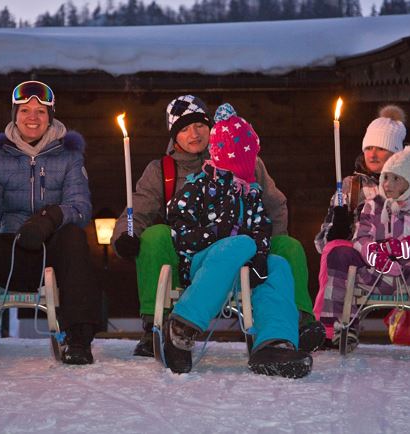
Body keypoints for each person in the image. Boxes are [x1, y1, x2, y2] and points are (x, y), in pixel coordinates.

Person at [112, 94, 323, 358]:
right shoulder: (163, 171)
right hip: (191, 254)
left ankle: (298, 321)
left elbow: (274, 204)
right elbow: (138, 209)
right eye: (185, 129)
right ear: (174, 137)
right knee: (155, 235)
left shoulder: (243, 159)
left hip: (248, 251)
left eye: (200, 125)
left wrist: (266, 251)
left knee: (288, 247)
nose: (194, 134)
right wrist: (126, 235)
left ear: (211, 127)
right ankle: (157, 322)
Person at [163, 103, 312, 377]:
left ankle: (273, 343)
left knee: (277, 265)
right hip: (204, 266)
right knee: (241, 243)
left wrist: (260, 259)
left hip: (242, 271)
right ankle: (182, 325)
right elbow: (181, 235)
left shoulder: (251, 194)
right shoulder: (197, 187)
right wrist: (218, 232)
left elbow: (262, 228)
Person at [0, 80, 101, 365]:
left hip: (52, 257)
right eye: (25, 110)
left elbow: (80, 207)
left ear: (50, 116)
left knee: (74, 236)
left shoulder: (69, 157)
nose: (32, 117)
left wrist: (50, 218)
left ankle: (78, 339)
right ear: (15, 115)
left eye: (40, 111)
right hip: (9, 255)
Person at [313, 105, 406, 340]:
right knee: (335, 250)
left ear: (396, 153)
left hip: (405, 264)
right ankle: (333, 328)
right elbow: (322, 244)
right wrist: (338, 229)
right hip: (365, 264)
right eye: (369, 148)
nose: (373, 154)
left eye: (381, 148)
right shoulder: (352, 186)